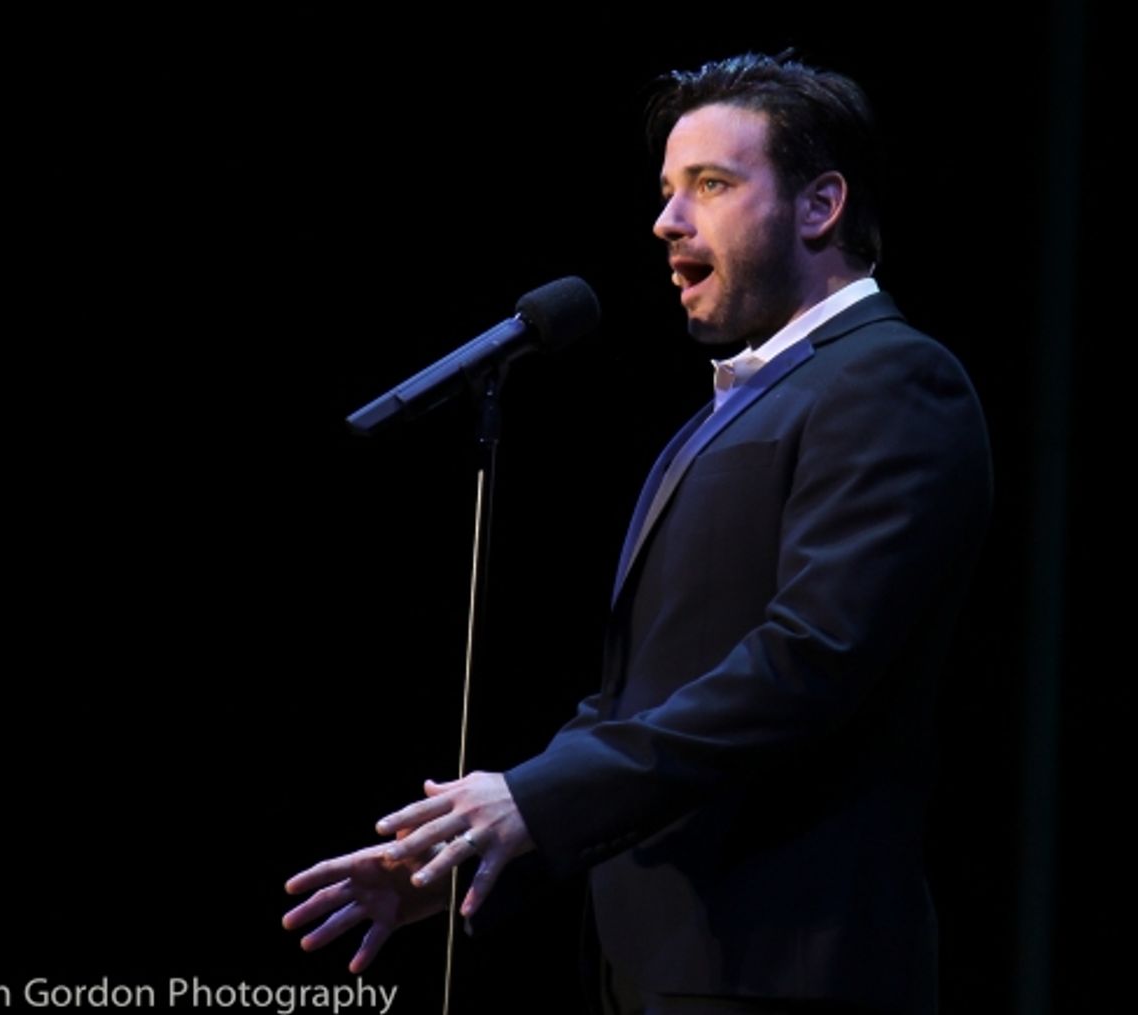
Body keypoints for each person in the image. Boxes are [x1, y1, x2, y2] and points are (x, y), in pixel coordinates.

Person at [284, 52, 991, 1015]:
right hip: (659, 967)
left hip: (780, 969)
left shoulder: (893, 380)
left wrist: (536, 799)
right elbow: (640, 697)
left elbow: (808, 661)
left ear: (821, 205)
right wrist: (490, 840)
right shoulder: (723, 413)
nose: (667, 221)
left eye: (711, 184)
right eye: (667, 190)